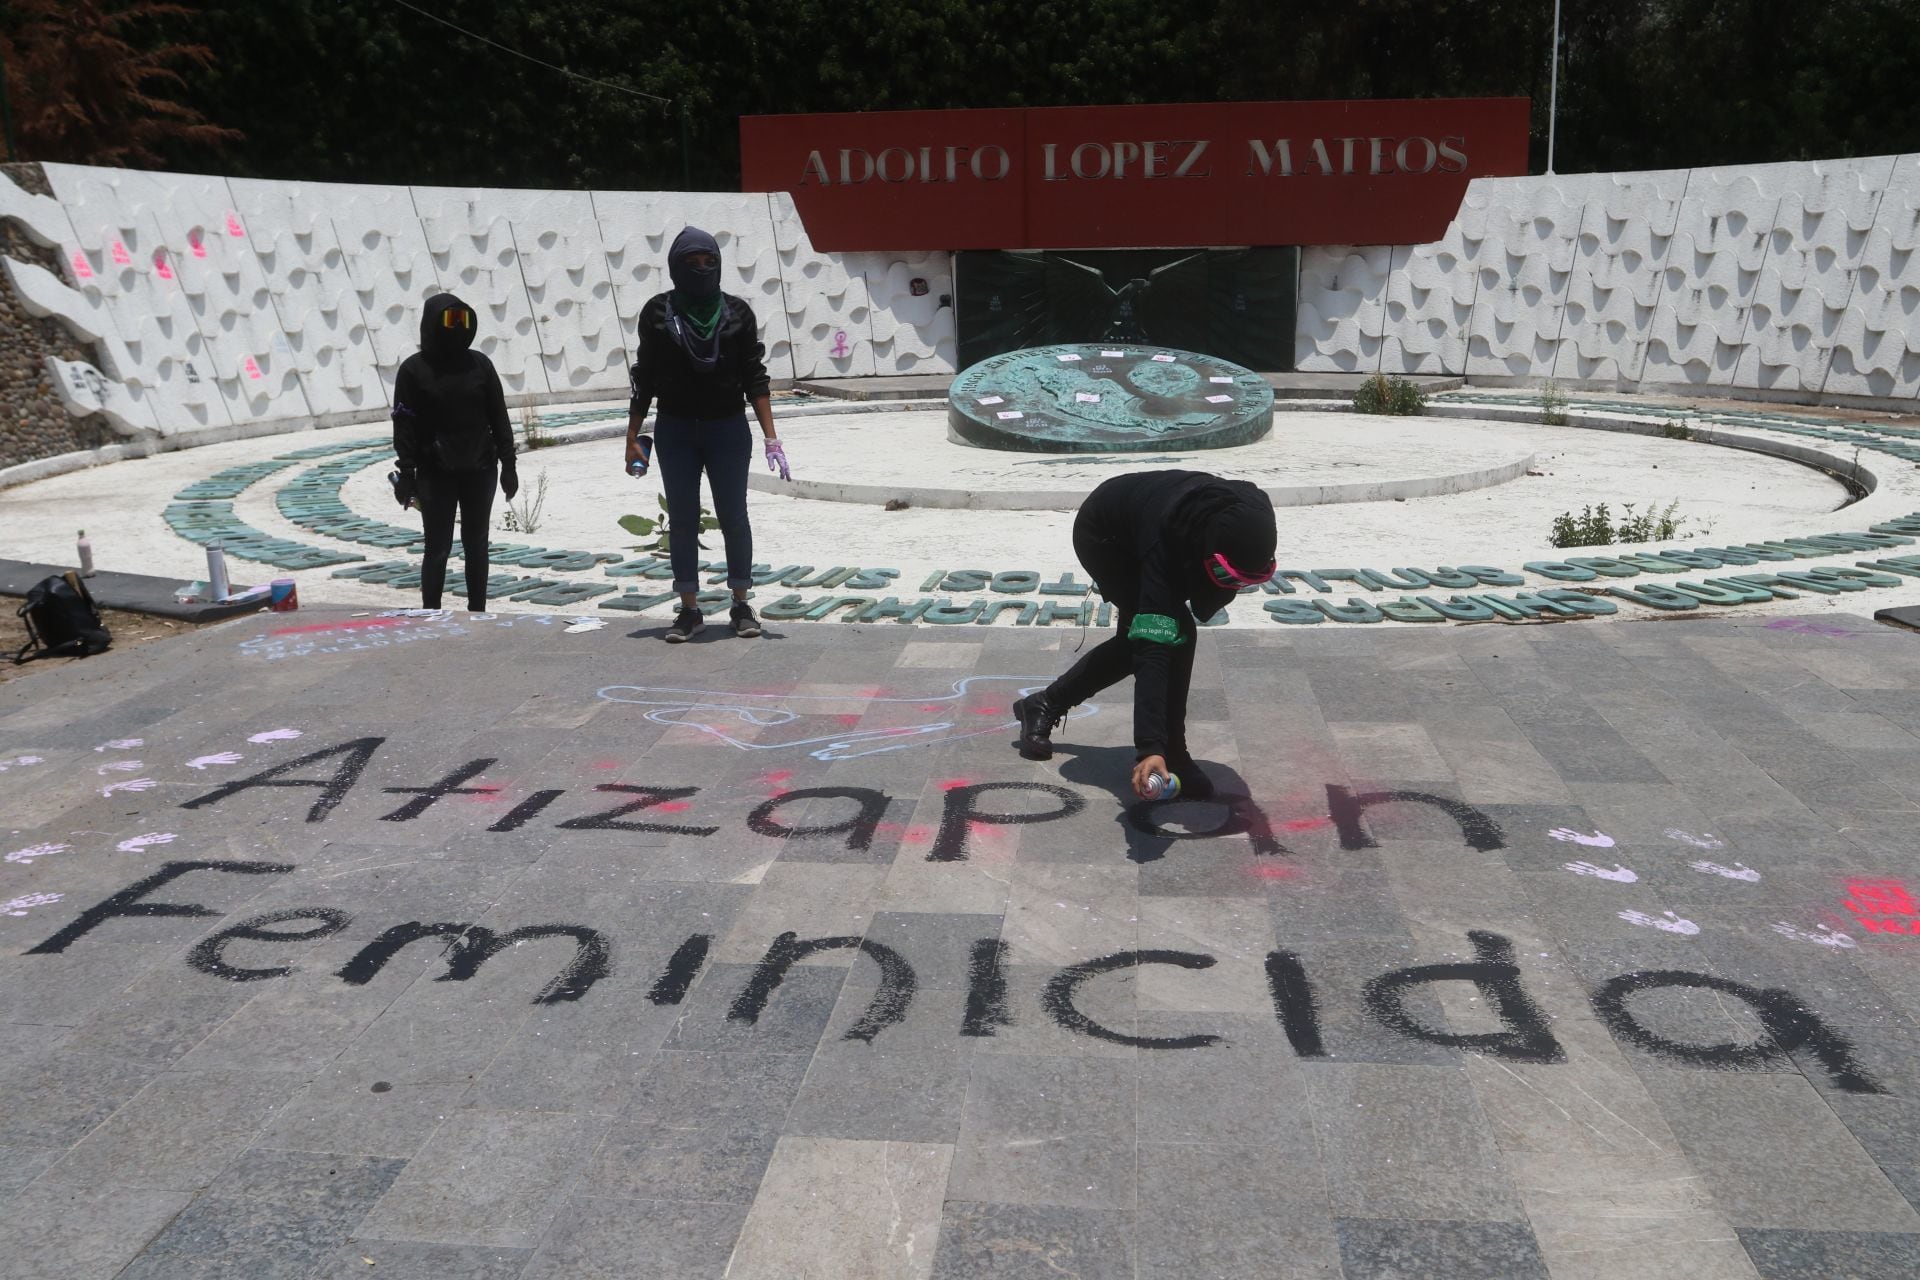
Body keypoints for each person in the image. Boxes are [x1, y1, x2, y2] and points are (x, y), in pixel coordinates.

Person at [1013, 470, 1276, 799]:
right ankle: (1172, 752)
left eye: (1245, 582)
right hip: (1107, 535)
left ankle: (1042, 703)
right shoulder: (1163, 543)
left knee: (1147, 637)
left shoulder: (1253, 516)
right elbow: (1154, 648)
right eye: (1226, 575)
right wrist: (1151, 748)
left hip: (1166, 524)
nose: (1233, 588)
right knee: (1164, 634)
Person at [625, 227, 788, 642]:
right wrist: (632, 435)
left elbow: (755, 375)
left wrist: (772, 437)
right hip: (676, 429)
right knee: (681, 520)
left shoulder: (737, 313)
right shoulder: (657, 313)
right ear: (675, 267)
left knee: (734, 517)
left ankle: (741, 603)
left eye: (708, 261)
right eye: (691, 263)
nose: (701, 269)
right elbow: (644, 377)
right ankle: (689, 609)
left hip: (728, 429)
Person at [391, 292, 517, 613]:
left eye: (462, 320)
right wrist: (406, 473)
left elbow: (498, 416)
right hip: (435, 473)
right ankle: (430, 611)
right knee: (437, 548)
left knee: (476, 545)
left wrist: (509, 464)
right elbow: (404, 426)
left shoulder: (480, 365)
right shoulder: (413, 371)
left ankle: (478, 612)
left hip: (481, 469)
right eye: (449, 320)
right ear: (432, 323)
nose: (456, 328)